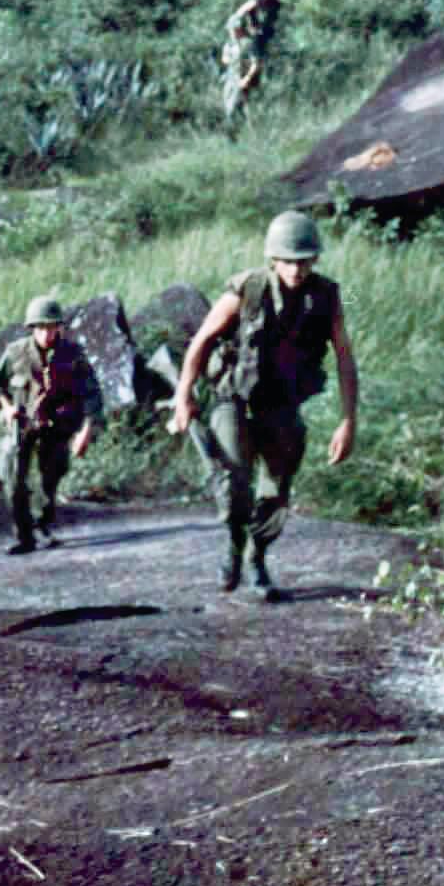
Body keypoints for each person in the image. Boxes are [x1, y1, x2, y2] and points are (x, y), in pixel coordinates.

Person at [169, 211, 359, 600]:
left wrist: (348, 420)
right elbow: (202, 340)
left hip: (282, 404)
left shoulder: (324, 295)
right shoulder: (248, 289)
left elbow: (344, 357)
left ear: (314, 260)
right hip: (233, 399)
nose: (296, 269)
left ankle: (258, 557)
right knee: (234, 480)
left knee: (277, 487)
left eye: (304, 260)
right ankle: (234, 547)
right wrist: (183, 396)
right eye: (288, 260)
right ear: (273, 259)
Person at [0, 297, 103, 555]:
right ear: (31, 328)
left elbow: (92, 394)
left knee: (50, 479)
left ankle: (43, 524)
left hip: (57, 425)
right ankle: (23, 535)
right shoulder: (15, 352)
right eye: (40, 327)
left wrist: (85, 431)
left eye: (51, 327)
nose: (46, 333)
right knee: (13, 479)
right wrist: (7, 408)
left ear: (59, 328)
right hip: (23, 423)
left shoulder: (73, 354)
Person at [221, 0, 283, 123]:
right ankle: (235, 119)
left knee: (251, 80)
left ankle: (244, 115)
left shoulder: (275, 3)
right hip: (252, 41)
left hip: (261, 40)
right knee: (240, 84)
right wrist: (239, 30)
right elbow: (239, 14)